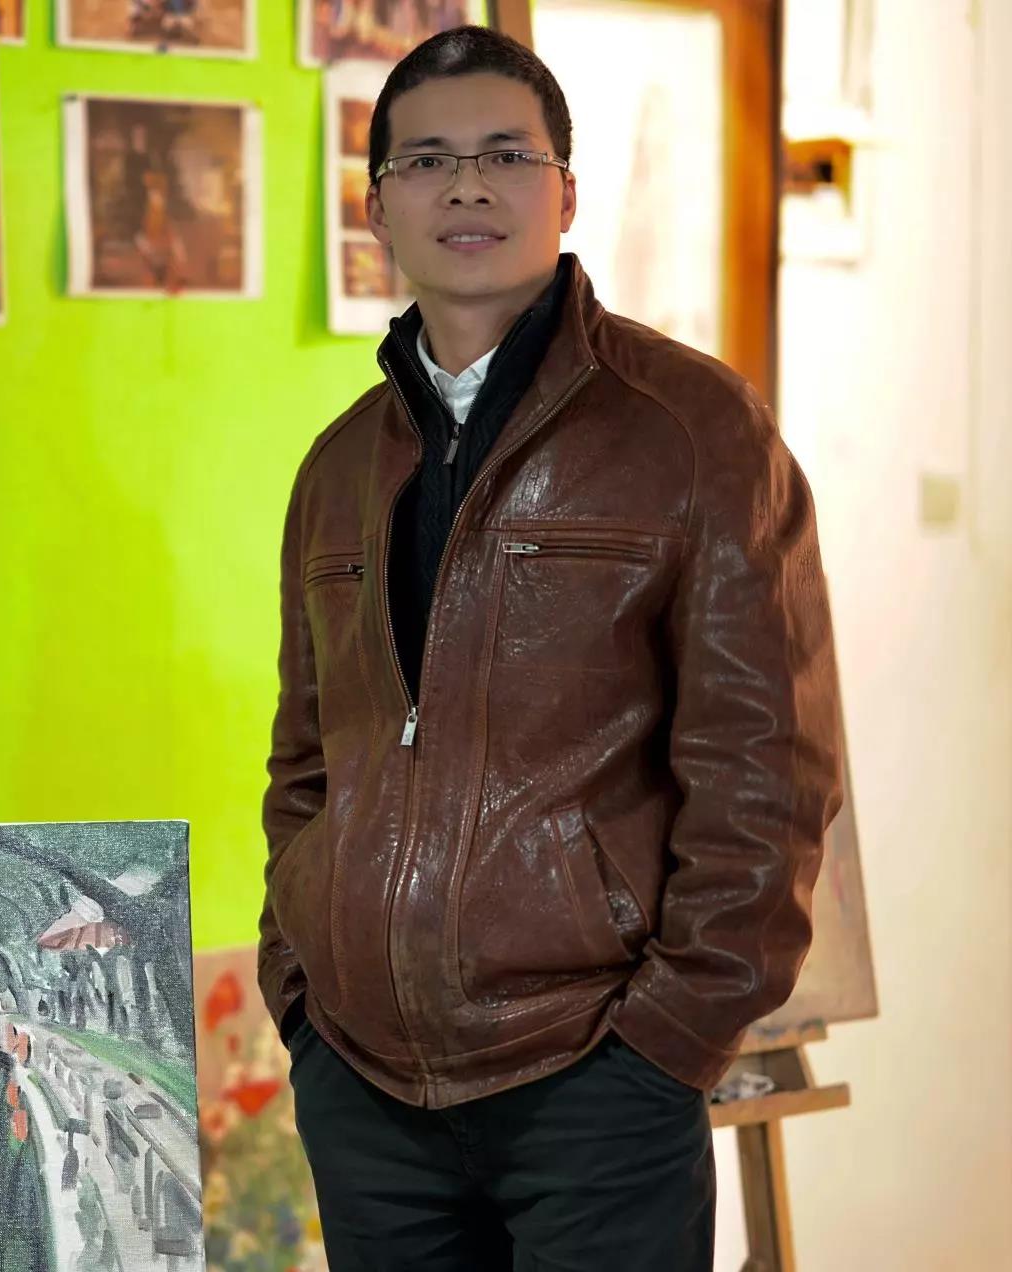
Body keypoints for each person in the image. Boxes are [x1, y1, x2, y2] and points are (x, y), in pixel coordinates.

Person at [258, 25, 842, 1272]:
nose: (466, 186)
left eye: (505, 154)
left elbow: (769, 769)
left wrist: (668, 1040)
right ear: (377, 209)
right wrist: (300, 996)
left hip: (595, 1083)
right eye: (426, 161)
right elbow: (308, 763)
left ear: (565, 193)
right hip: (364, 1092)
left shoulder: (692, 430)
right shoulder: (337, 464)